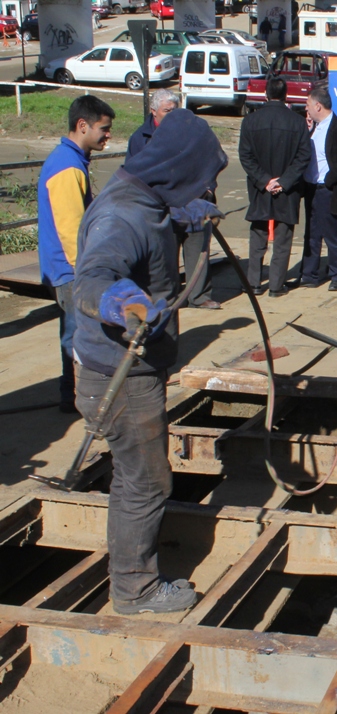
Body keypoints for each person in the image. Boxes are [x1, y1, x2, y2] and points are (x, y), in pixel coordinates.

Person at [73, 109, 228, 614]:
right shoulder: (122, 216)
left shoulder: (144, 198)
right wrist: (124, 302)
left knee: (134, 477)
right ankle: (135, 591)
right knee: (146, 482)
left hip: (133, 373)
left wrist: (187, 216)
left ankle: (130, 575)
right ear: (178, 167)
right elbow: (93, 276)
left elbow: (154, 220)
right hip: (120, 378)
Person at [37, 95, 114, 414]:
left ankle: (72, 394)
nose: (108, 135)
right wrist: (87, 272)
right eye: (104, 129)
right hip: (71, 271)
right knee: (80, 336)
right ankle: (78, 397)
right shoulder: (67, 168)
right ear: (83, 126)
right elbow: (72, 230)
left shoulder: (68, 161)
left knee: (73, 334)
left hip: (65, 268)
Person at [126, 89, 221, 310]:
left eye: (175, 110)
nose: (171, 115)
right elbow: (134, 174)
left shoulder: (193, 133)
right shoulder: (140, 138)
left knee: (198, 249)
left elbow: (211, 159)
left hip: (193, 202)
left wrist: (208, 189)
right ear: (153, 112)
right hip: (162, 207)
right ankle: (170, 296)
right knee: (165, 255)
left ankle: (199, 296)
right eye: (166, 111)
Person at [238, 77, 311, 296]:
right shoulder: (297, 122)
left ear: (265, 94)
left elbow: (246, 156)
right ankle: (276, 286)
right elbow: (303, 156)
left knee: (258, 234)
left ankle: (253, 283)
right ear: (286, 95)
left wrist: (264, 181)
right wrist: (284, 181)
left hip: (261, 188)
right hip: (286, 189)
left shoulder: (250, 121)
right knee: (283, 237)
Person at [295, 86, 337, 290]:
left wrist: (331, 178)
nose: (306, 110)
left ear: (318, 106)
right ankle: (309, 274)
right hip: (311, 187)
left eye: (308, 105)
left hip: (327, 189)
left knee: (331, 234)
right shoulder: (314, 126)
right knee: (311, 233)